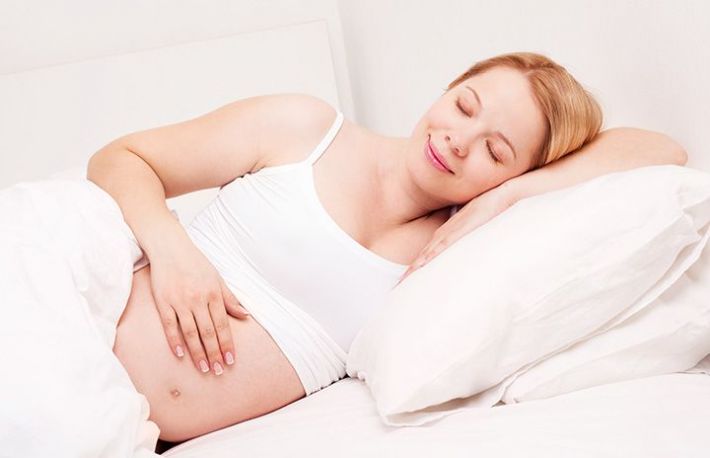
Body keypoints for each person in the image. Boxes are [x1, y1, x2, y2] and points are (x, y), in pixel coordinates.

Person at [87, 52, 686, 443]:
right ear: (448, 88)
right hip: (80, 338)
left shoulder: (457, 246)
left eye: (495, 150)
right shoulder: (305, 130)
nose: (458, 140)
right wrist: (175, 254)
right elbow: (121, 159)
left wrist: (508, 195)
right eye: (464, 105)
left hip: (129, 432)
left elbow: (662, 151)